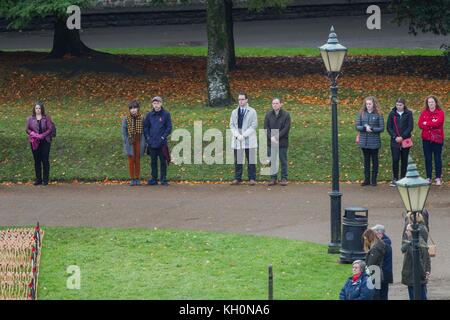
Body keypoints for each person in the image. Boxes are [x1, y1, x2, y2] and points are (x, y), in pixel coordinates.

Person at [355, 96, 385, 186]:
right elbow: (357, 126)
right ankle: (366, 179)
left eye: (370, 104)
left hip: (374, 142)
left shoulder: (379, 114)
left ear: (373, 104)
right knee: (366, 161)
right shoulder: (361, 114)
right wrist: (364, 127)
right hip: (364, 141)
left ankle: (374, 179)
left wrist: (372, 128)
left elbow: (381, 128)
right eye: (367, 104)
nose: (368, 105)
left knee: (375, 161)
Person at [230, 93, 258, 186]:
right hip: (237, 139)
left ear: (246, 100)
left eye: (242, 99)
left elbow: (254, 125)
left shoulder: (252, 111)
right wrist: (237, 135)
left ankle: (252, 178)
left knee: (251, 160)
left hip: (249, 139)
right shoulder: (234, 112)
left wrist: (244, 135)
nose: (240, 101)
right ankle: (238, 178)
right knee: (238, 160)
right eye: (239, 99)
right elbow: (232, 125)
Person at [144, 96, 172, 186]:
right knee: (153, 162)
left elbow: (169, 127)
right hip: (152, 143)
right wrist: (148, 138)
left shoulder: (166, 114)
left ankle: (163, 179)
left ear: (161, 103)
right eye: (154, 103)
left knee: (163, 162)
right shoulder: (149, 115)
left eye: (158, 103)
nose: (156, 105)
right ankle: (154, 179)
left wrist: (163, 137)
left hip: (162, 143)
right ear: (152, 104)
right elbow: (146, 127)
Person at [418, 96, 445, 186]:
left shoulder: (440, 113)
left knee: (437, 159)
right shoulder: (424, 113)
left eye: (432, 102)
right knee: (428, 158)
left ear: (436, 103)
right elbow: (420, 124)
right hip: (426, 139)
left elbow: (438, 123)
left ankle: (438, 178)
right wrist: (430, 124)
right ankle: (428, 177)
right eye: (429, 102)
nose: (431, 104)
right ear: (427, 103)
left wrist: (427, 123)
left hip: (437, 139)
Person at [386, 97, 414, 187]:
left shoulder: (409, 113)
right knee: (395, 159)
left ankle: (403, 178)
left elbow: (410, 127)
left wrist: (402, 136)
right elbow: (389, 127)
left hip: (405, 140)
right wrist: (395, 136)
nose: (398, 107)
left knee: (404, 160)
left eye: (400, 105)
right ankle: (395, 178)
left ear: (404, 105)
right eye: (397, 105)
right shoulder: (392, 114)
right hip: (395, 141)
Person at [264, 98, 291, 186]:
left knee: (283, 160)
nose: (275, 105)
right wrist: (271, 137)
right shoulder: (268, 114)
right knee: (272, 161)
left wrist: (276, 137)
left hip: (282, 141)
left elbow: (286, 128)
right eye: (273, 103)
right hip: (271, 142)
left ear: (281, 104)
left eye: (276, 103)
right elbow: (266, 127)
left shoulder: (286, 115)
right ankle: (273, 178)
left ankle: (284, 178)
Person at [25, 101, 54, 186]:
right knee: (37, 160)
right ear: (34, 109)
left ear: (42, 109)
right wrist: (34, 135)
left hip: (45, 141)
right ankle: (38, 179)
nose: (38, 110)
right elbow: (27, 129)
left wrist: (42, 135)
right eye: (36, 108)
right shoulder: (30, 119)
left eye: (39, 108)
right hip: (35, 142)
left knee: (45, 160)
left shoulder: (46, 118)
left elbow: (50, 128)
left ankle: (45, 180)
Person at [401, 222, 431, 300]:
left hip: (414, 277)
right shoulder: (421, 241)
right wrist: (427, 271)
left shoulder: (413, 243)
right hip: (419, 277)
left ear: (412, 232)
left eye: (407, 230)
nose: (405, 232)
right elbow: (427, 258)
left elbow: (418, 262)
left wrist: (423, 274)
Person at [122, 100, 146, 186]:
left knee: (137, 160)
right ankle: (132, 179)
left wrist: (144, 142)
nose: (133, 110)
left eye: (135, 108)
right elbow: (124, 131)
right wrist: (126, 141)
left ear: (138, 108)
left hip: (139, 140)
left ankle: (137, 178)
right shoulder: (126, 118)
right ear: (129, 110)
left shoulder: (142, 118)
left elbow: (144, 131)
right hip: (130, 141)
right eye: (131, 108)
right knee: (131, 160)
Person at [362, 228, 386, 300]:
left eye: (366, 239)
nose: (365, 241)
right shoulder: (378, 246)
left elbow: (370, 264)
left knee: (374, 295)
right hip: (376, 273)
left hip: (374, 274)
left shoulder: (375, 249)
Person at [371, 225, 393, 300]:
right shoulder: (386, 243)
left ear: (379, 234)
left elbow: (375, 261)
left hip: (380, 274)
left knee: (378, 295)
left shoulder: (382, 245)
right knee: (383, 294)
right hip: (384, 274)